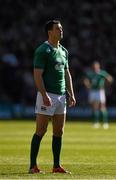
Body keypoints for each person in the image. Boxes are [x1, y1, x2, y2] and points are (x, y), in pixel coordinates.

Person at [29, 20, 76, 174]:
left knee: (59, 132)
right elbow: (37, 75)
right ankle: (32, 166)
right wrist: (43, 95)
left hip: (61, 97)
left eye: (61, 28)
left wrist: (71, 93)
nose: (61, 31)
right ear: (50, 31)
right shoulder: (43, 50)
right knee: (41, 130)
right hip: (47, 94)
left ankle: (56, 166)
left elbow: (66, 74)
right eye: (58, 28)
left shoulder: (64, 51)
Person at [84, 61, 113, 129]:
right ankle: (95, 122)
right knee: (94, 107)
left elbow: (110, 79)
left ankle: (105, 123)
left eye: (96, 66)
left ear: (98, 66)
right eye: (94, 66)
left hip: (100, 91)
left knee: (102, 106)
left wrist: (105, 85)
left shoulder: (101, 73)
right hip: (93, 91)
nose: (95, 67)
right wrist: (88, 85)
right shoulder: (91, 73)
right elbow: (86, 80)